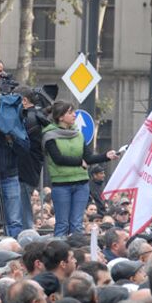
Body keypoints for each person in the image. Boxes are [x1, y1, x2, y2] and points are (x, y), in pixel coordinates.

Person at [42, 100, 119, 236]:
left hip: (81, 184)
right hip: (61, 185)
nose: (74, 115)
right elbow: (58, 159)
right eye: (70, 112)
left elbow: (88, 158)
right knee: (62, 224)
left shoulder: (78, 134)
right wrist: (79, 162)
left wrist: (106, 156)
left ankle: (77, 254)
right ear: (61, 117)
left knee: (77, 223)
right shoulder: (49, 136)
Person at [16, 87, 49, 230]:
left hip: (23, 169)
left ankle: (26, 232)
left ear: (24, 100)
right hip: (31, 169)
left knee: (22, 207)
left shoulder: (28, 118)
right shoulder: (38, 116)